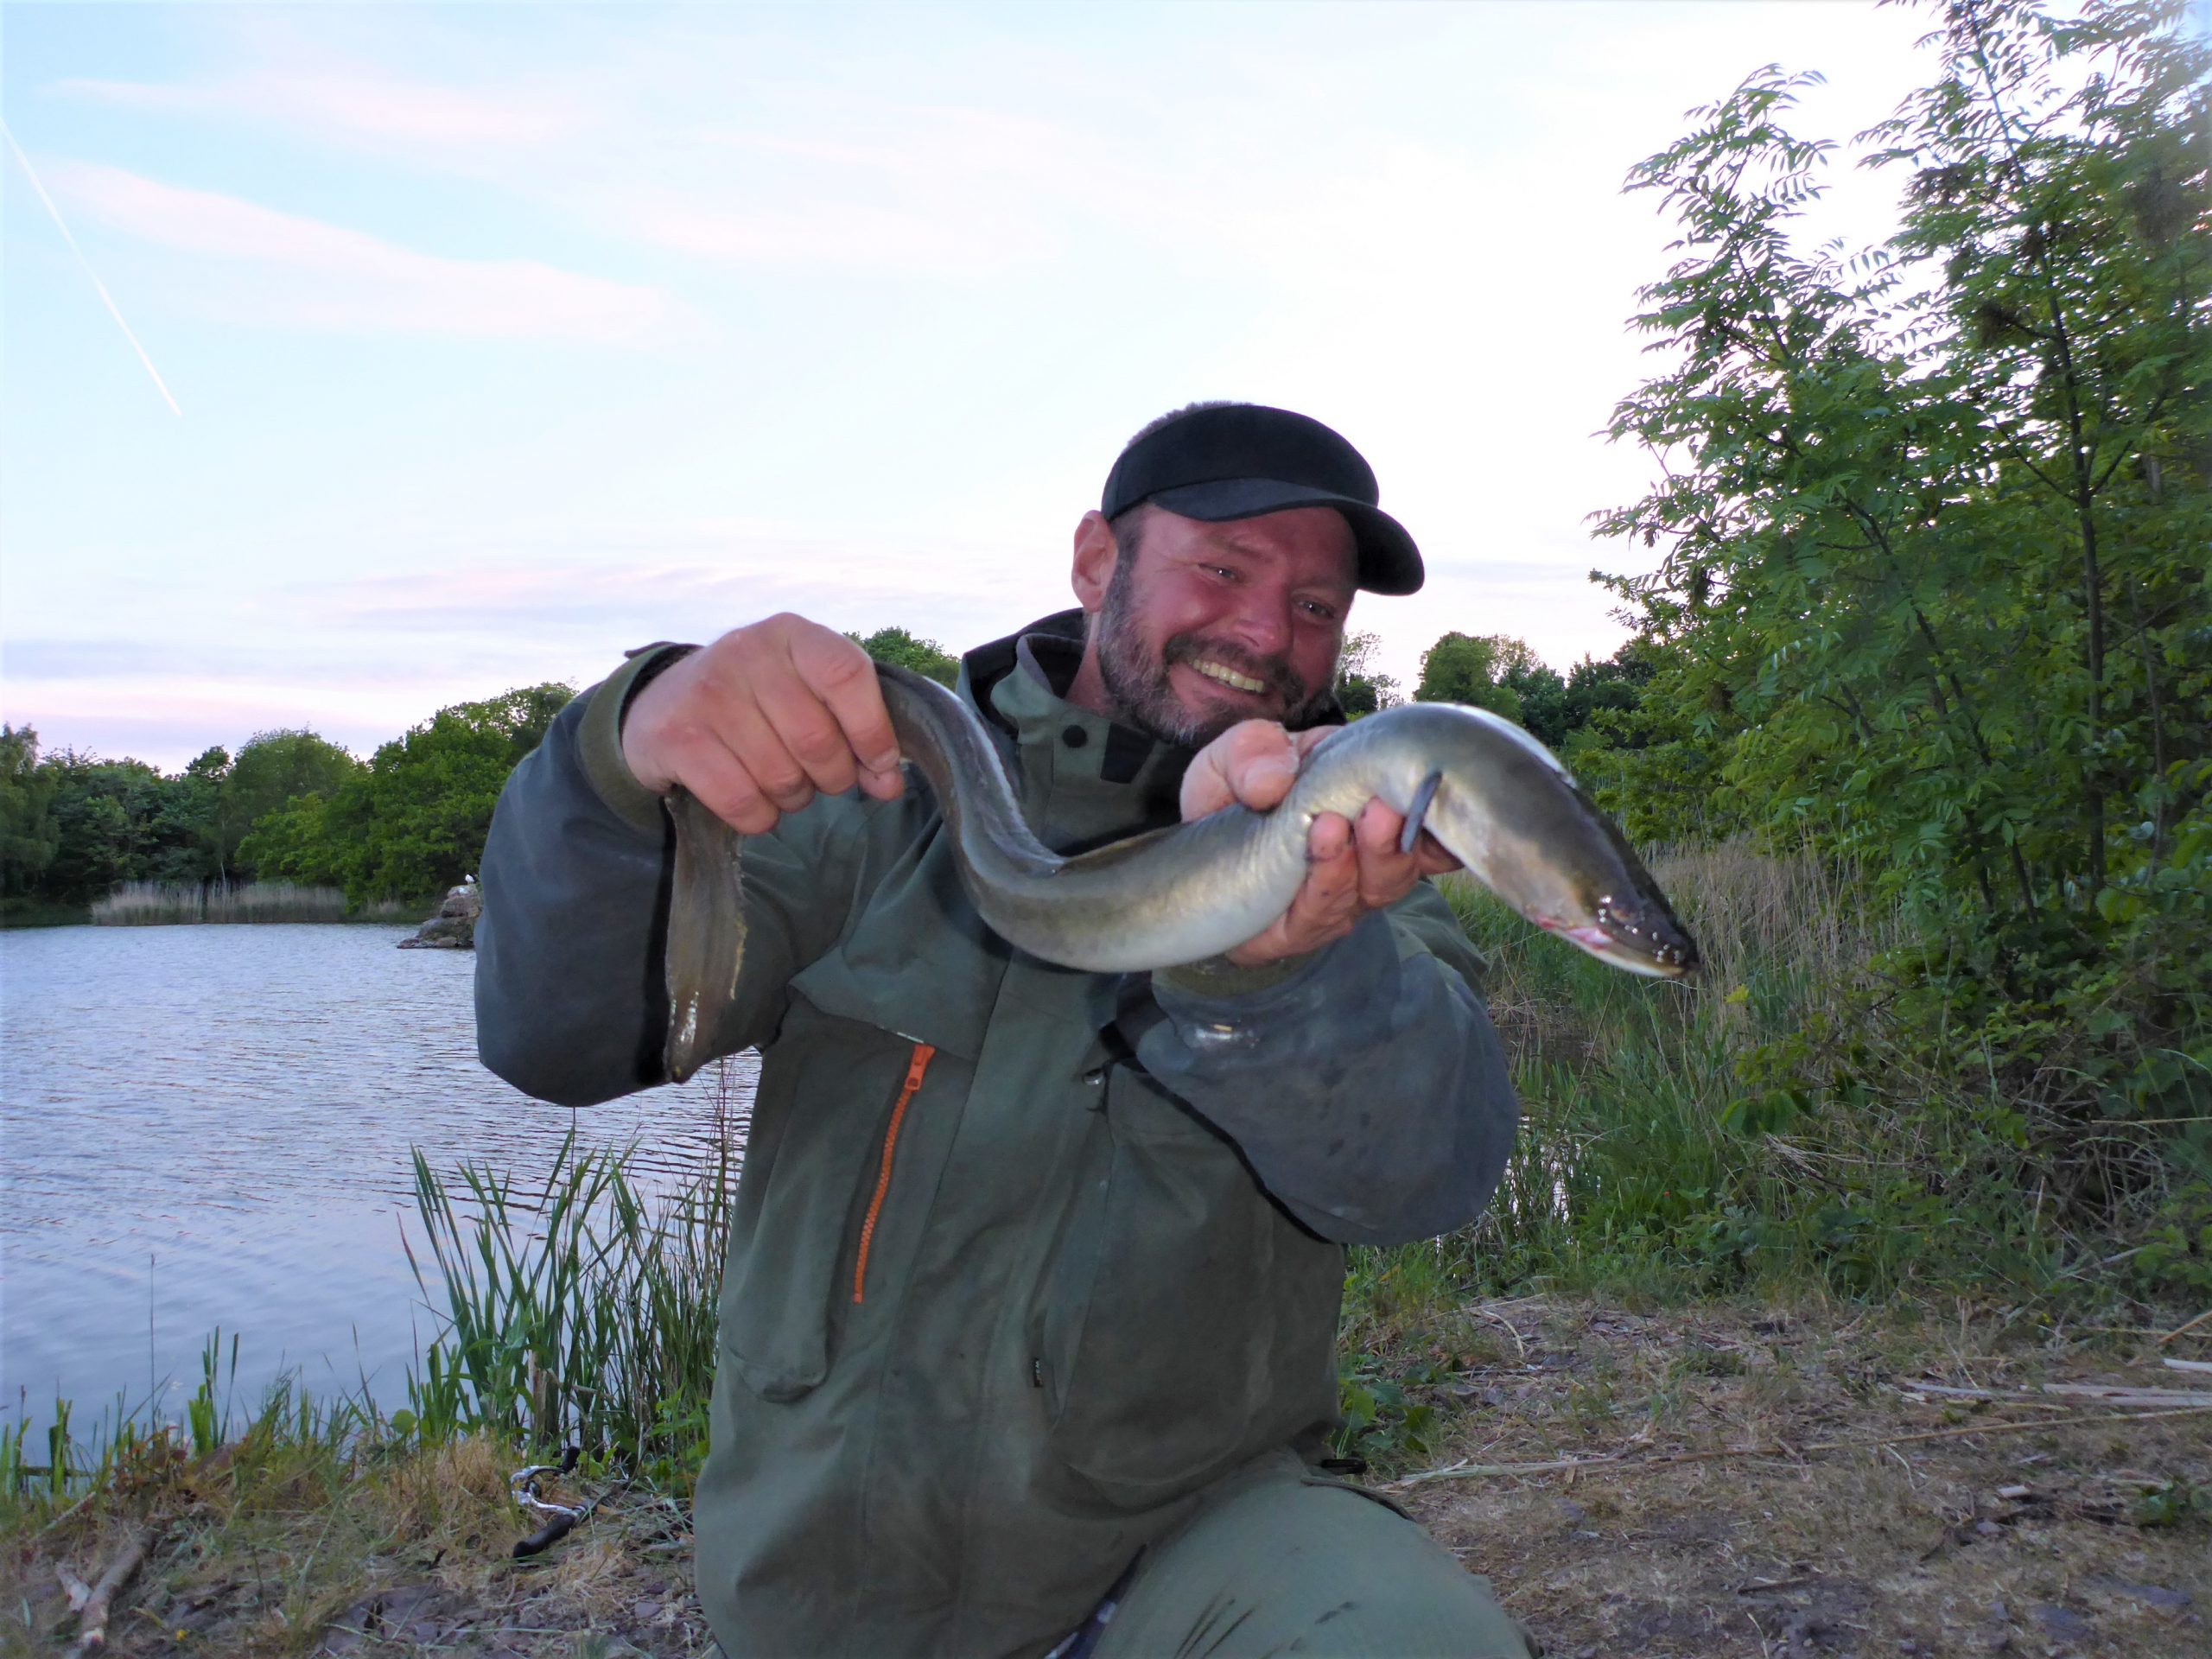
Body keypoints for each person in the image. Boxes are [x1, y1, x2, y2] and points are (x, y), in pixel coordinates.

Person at [475, 402, 1536, 1658]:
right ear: (1097, 561)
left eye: (1316, 606)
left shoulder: (1356, 862)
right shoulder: (870, 802)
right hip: (824, 1590)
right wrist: (615, 761)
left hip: (1179, 1558)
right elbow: (558, 1042)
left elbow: (1422, 1179)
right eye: (1222, 569)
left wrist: (1281, 970)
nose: (1267, 632)